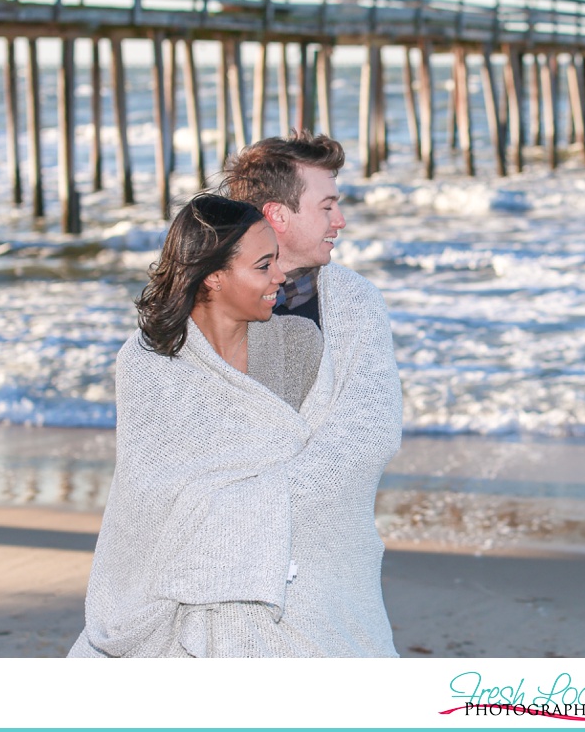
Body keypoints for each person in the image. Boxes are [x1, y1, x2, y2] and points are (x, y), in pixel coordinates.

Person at [68, 183, 401, 657]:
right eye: (263, 266)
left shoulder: (297, 345)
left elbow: (335, 445)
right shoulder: (150, 363)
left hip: (293, 578)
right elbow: (152, 495)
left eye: (277, 263)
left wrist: (258, 505)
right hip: (183, 583)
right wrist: (256, 507)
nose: (279, 278)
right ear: (213, 278)